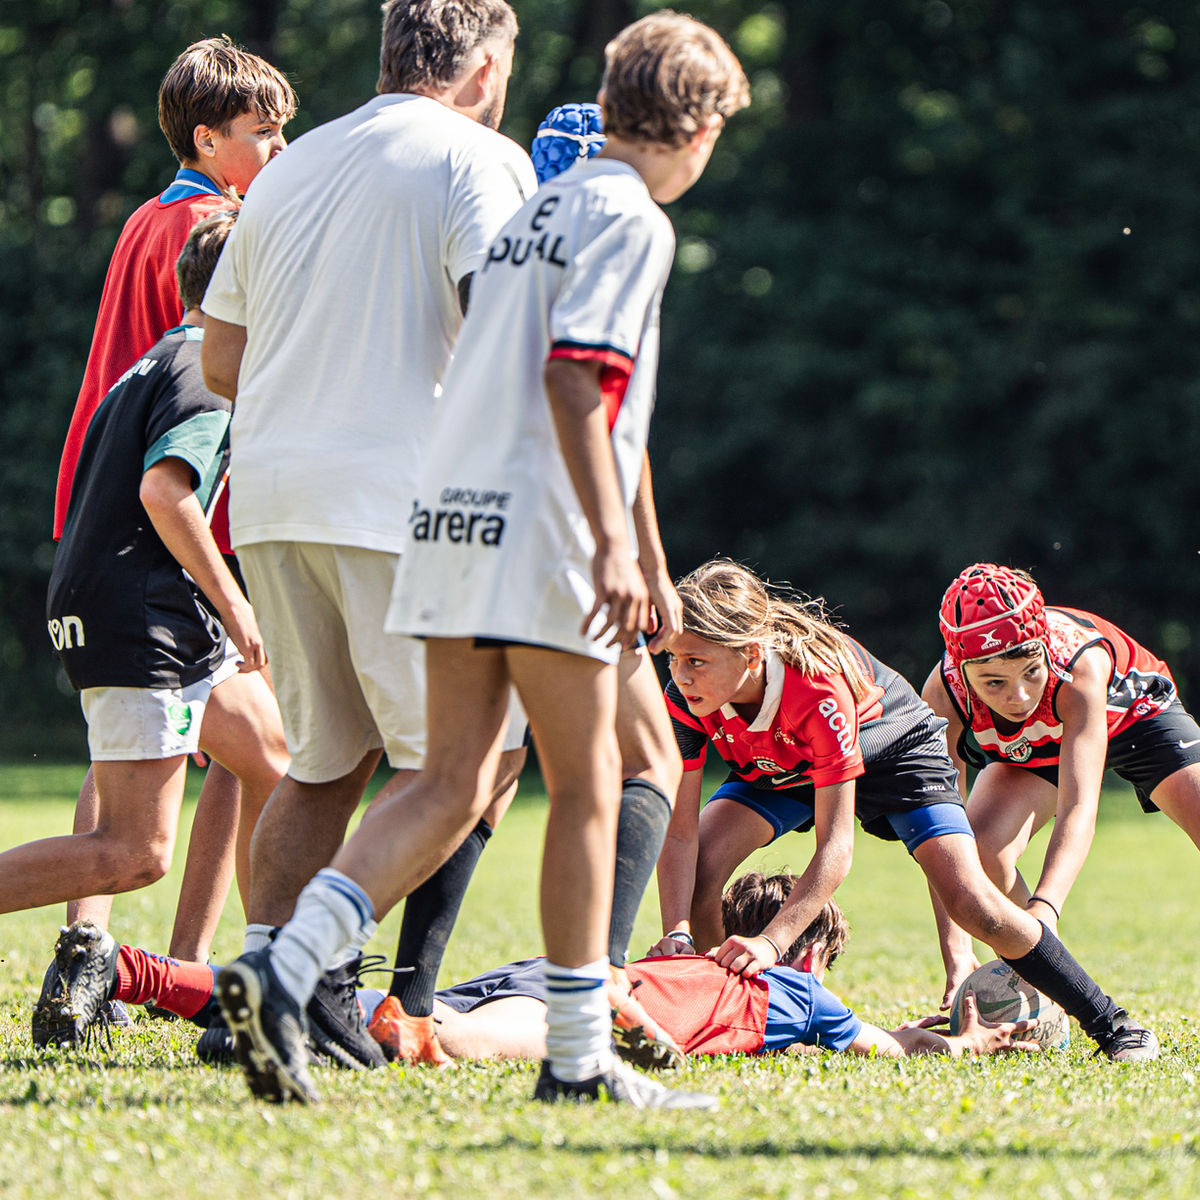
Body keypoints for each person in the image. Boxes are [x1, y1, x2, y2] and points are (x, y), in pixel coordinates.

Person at [213, 10, 750, 1107]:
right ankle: (575, 1055)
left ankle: (281, 963)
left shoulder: (542, 203)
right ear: (695, 129)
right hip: (539, 527)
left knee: (444, 782)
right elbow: (573, 380)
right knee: (596, 785)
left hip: (445, 518)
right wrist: (612, 540)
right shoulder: (629, 220)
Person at [200, 0, 539, 1074]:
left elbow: (219, 363)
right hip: (402, 501)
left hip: (272, 494)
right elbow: (505, 336)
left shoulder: (292, 168)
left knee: (321, 765)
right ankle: (306, 971)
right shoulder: (480, 159)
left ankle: (254, 984)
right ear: (485, 67)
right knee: (467, 765)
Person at [650, 559, 1159, 1063]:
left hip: (895, 752)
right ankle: (729, 1016)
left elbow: (836, 846)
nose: (680, 676)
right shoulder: (684, 699)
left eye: (696, 661)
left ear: (751, 654)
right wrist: (676, 930)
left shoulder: (816, 689)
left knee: (972, 899)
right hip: (788, 762)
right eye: (674, 659)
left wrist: (770, 941)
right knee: (702, 868)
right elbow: (678, 837)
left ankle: (1111, 1023)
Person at [55, 36, 295, 969]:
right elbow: (205, 375)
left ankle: (130, 954)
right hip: (177, 507)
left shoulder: (145, 217)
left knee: (182, 740)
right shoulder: (209, 230)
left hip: (112, 496)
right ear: (205, 139)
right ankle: (177, 957)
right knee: (237, 741)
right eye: (262, 133)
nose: (280, 149)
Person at [24, 211, 287, 1048]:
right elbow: (165, 495)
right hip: (145, 618)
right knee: (133, 853)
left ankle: (265, 984)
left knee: (275, 765)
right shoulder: (207, 371)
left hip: (154, 608)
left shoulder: (154, 358)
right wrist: (235, 601)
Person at [363, 873, 1041, 1062]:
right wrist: (959, 1043)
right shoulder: (800, 991)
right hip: (602, 1003)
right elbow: (892, 1046)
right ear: (809, 952)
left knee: (404, 1014)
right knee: (460, 1042)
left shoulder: (687, 959)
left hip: (554, 968)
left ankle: (332, 1003)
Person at [922, 562, 1200, 1004]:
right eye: (993, 683)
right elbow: (941, 834)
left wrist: (1045, 910)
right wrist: (958, 958)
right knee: (981, 849)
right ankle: (1041, 983)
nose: (1018, 697)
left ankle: (1036, 937)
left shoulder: (1080, 664)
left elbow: (1079, 807)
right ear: (961, 669)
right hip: (1039, 745)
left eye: (1031, 671)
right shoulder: (943, 695)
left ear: (1044, 649)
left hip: (1134, 715)